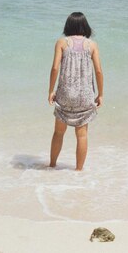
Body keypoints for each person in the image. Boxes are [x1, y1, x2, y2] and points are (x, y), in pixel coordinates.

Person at [48, 12, 103, 170]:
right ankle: (79, 171)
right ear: (85, 26)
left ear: (68, 26)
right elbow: (99, 71)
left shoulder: (61, 43)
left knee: (59, 132)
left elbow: (55, 68)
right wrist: (101, 94)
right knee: (82, 135)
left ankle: (52, 165)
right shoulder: (92, 45)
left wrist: (51, 91)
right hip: (85, 96)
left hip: (65, 94)